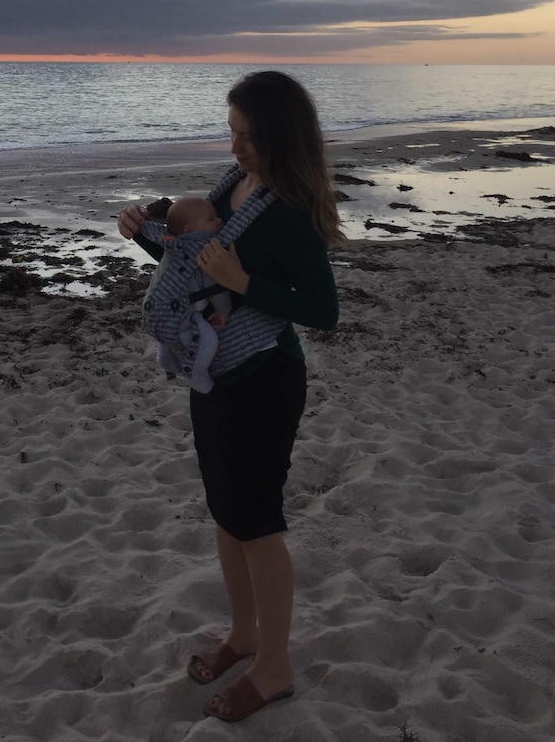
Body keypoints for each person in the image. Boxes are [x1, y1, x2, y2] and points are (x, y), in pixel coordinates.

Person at [118, 70, 341, 723]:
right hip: (213, 379)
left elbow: (323, 309)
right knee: (226, 513)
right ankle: (243, 633)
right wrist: (139, 229)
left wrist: (243, 279)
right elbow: (194, 261)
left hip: (267, 381)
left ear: (279, 136)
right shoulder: (229, 188)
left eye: (246, 136)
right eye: (232, 132)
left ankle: (274, 664)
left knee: (259, 522)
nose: (235, 147)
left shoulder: (289, 211)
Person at [138, 197, 235, 393]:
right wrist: (224, 310)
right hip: (184, 313)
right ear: (189, 230)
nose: (219, 221)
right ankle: (196, 374)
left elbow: (145, 228)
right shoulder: (203, 251)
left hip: (153, 308)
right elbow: (214, 285)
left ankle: (165, 359)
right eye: (211, 219)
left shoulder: (169, 243)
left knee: (167, 338)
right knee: (208, 341)